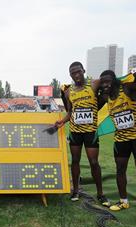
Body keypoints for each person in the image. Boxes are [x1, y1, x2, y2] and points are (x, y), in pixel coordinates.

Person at [99, 69, 136, 227]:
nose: (105, 84)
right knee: (120, 169)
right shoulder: (107, 96)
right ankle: (124, 201)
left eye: (108, 81)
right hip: (121, 139)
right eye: (103, 82)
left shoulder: (127, 87)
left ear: (114, 80)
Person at [54, 61, 109, 206]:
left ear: (84, 70)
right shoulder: (68, 92)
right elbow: (71, 112)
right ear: (70, 75)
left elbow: (110, 81)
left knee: (94, 162)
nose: (76, 75)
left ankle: (100, 193)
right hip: (75, 132)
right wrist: (62, 122)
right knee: (75, 161)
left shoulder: (94, 84)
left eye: (78, 71)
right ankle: (76, 191)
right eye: (73, 73)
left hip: (90, 131)